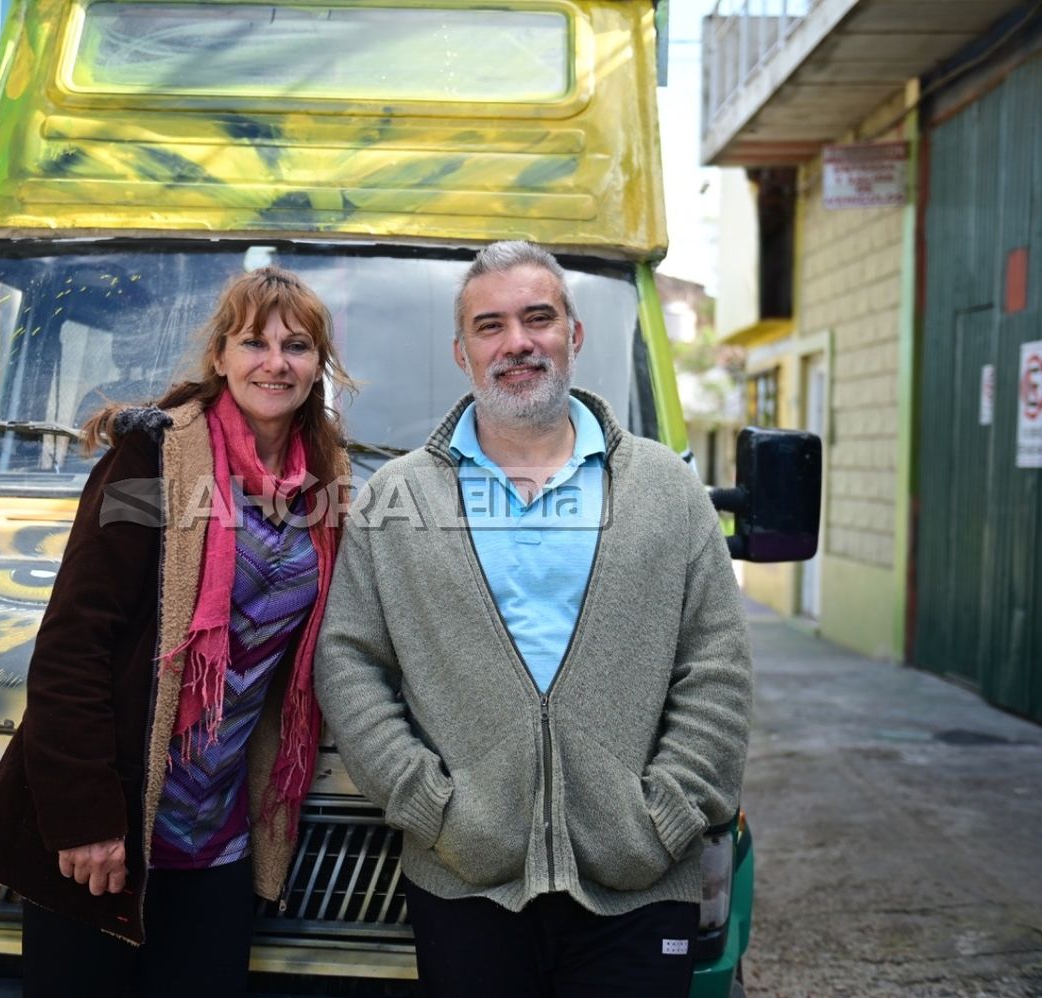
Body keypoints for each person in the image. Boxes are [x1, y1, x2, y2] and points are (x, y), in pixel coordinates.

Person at [314, 241, 752, 997]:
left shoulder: (667, 489)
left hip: (639, 888)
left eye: (537, 318)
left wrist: (665, 818)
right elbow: (349, 659)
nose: (516, 342)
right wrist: (432, 808)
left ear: (574, 336)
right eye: (490, 326)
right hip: (465, 882)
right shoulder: (397, 495)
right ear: (462, 352)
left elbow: (716, 663)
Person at [0, 266, 353, 996]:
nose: (276, 362)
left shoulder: (326, 479)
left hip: (219, 838)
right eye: (254, 343)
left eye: (297, 346)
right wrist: (85, 817)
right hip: (112, 835)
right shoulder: (150, 457)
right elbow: (74, 642)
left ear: (317, 365)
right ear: (220, 358)